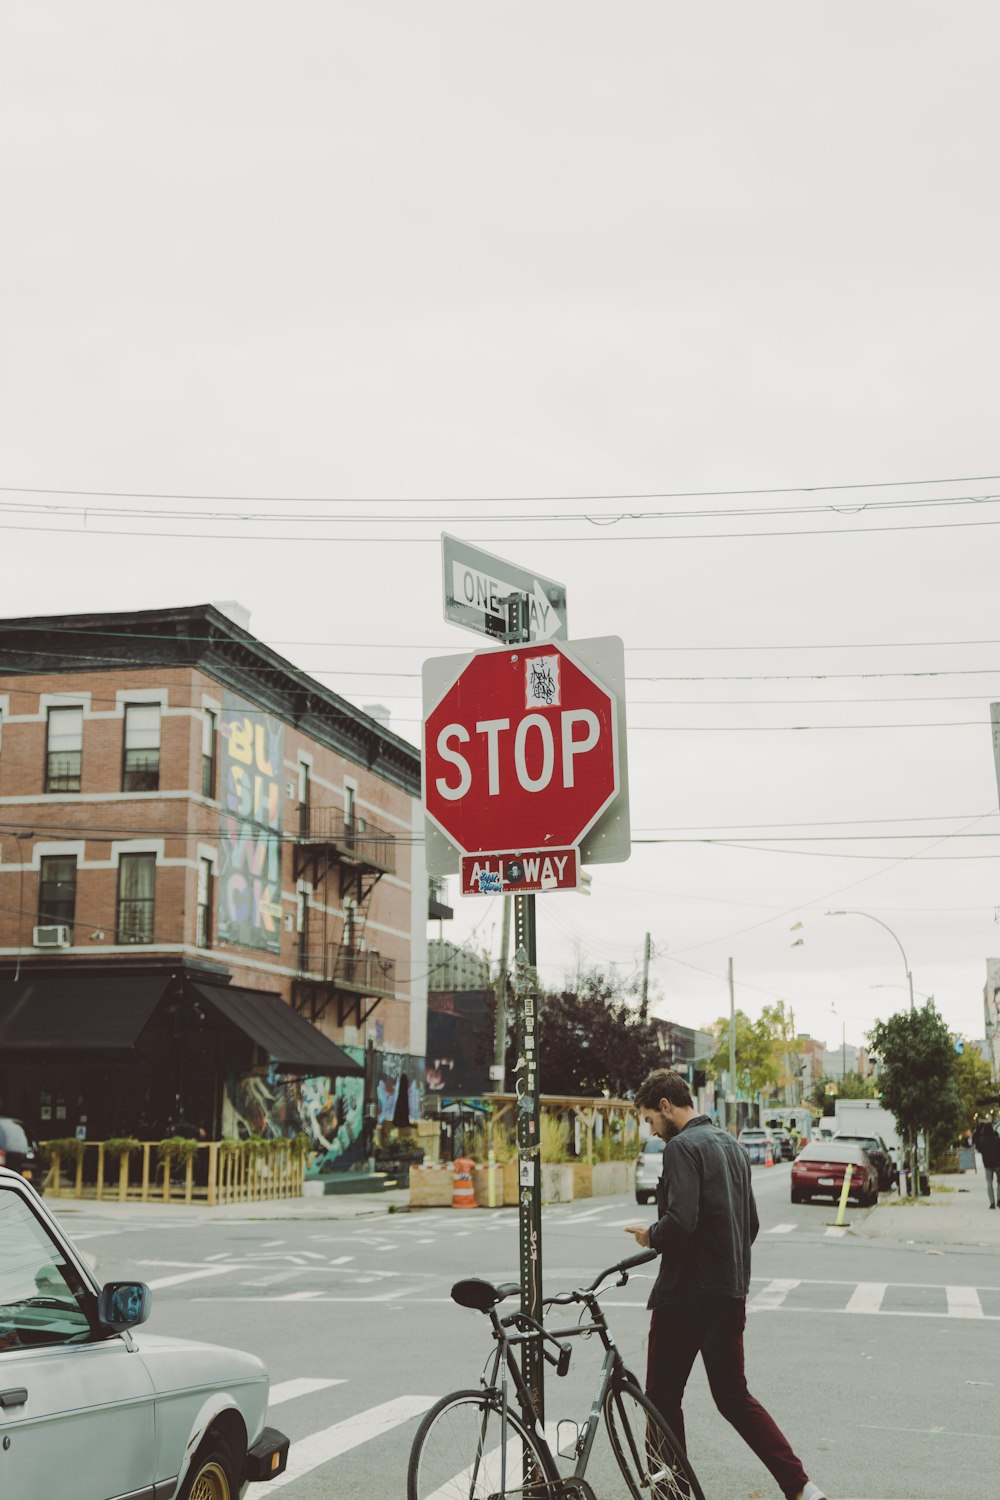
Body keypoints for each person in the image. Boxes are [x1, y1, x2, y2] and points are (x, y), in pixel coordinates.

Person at [624, 1068, 826, 1500]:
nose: (652, 1131)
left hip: (684, 1295)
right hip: (729, 1291)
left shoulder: (681, 1148)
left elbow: (681, 1222)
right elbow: (749, 1224)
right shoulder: (732, 1146)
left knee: (661, 1400)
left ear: (665, 1106)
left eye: (648, 1120)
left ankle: (671, 1494)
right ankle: (801, 1487)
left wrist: (650, 1236)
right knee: (735, 1398)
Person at [972, 1119, 1000, 1208]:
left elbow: (979, 1149)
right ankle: (999, 1200)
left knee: (989, 1183)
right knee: (999, 1182)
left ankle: (992, 1203)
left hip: (987, 1164)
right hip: (998, 1163)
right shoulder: (997, 1139)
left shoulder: (982, 1140)